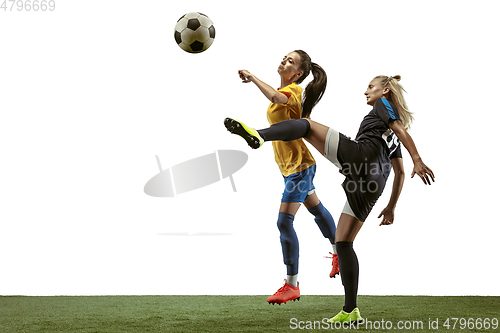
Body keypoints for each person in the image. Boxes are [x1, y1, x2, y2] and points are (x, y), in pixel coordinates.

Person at [224, 75, 435, 322]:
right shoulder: (391, 136)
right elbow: (398, 172)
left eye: (370, 87)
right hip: (374, 183)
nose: (366, 92)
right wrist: (390, 207)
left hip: (361, 158)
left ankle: (259, 135)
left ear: (385, 90)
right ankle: (350, 311)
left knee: (306, 125)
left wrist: (418, 159)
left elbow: (399, 127)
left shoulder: (384, 105)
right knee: (343, 242)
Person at [226, 50, 339, 305]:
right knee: (318, 210)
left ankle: (291, 284)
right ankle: (339, 252)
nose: (283, 61)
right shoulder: (287, 94)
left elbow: (278, 95)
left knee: (284, 222)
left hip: (299, 168)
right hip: (294, 167)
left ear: (298, 74)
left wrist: (253, 78)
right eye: (284, 57)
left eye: (290, 61)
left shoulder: (295, 91)